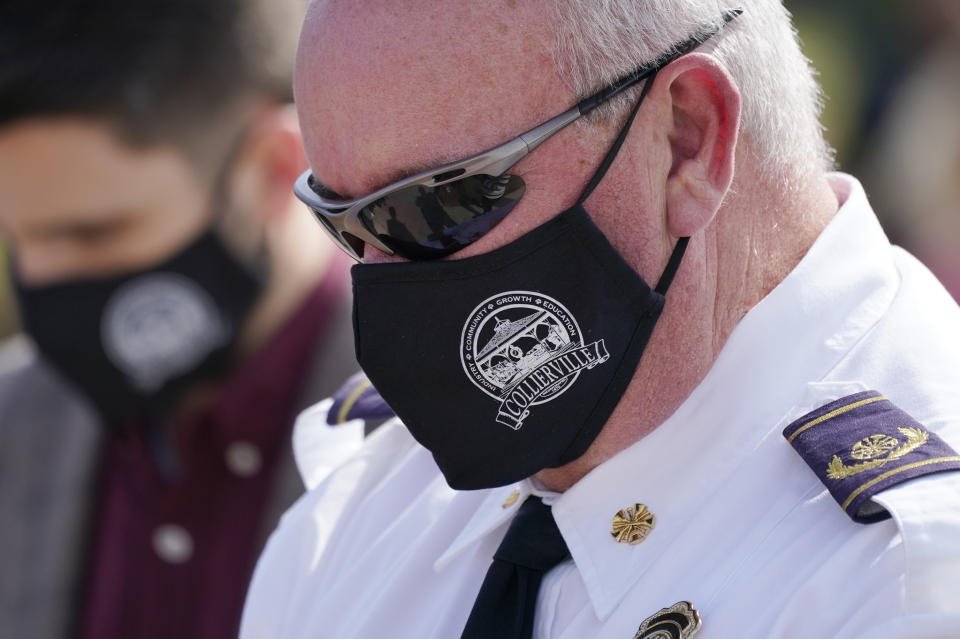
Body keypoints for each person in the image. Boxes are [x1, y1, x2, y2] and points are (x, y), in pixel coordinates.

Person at [241, 1, 960, 637]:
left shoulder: (910, 576)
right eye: (344, 223)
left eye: (436, 208)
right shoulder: (357, 511)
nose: (382, 283)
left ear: (688, 138)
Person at [0, 2, 365, 638]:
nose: (41, 277)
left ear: (276, 169)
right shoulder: (16, 423)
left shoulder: (444, 429)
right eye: (14, 238)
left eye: (94, 233)